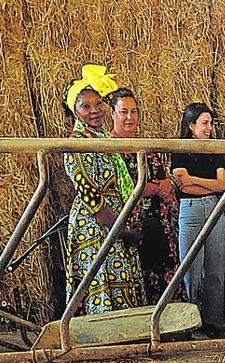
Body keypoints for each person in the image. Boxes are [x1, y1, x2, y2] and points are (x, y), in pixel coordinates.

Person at [62, 65, 145, 314]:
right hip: (96, 224)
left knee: (121, 280)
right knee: (100, 279)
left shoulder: (104, 140)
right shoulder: (75, 145)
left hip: (117, 220)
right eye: (85, 106)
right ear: (73, 111)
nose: (95, 111)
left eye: (98, 104)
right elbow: (91, 196)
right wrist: (121, 229)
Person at [108, 88, 181, 304]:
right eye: (123, 112)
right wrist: (156, 187)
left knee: (165, 275)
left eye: (134, 111)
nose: (130, 117)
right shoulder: (108, 148)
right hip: (131, 229)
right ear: (112, 114)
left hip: (159, 226)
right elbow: (125, 187)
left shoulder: (146, 147)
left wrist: (164, 185)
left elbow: (164, 181)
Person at [171, 103, 225, 336]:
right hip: (191, 209)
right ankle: (191, 322)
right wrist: (208, 185)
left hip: (214, 207)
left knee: (215, 267)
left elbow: (223, 184)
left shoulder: (214, 150)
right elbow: (183, 185)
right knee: (191, 269)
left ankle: (213, 321)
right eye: (205, 123)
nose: (209, 128)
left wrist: (195, 181)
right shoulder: (178, 149)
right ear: (191, 125)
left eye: (211, 123)